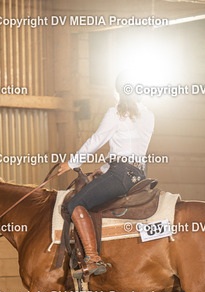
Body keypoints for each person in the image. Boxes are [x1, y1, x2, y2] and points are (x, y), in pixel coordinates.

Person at [57, 70, 155, 277]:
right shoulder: (149, 115)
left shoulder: (116, 113)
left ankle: (93, 258)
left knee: (75, 204)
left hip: (120, 175)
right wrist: (103, 169)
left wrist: (72, 163)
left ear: (118, 91)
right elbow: (128, 150)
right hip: (139, 175)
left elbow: (96, 140)